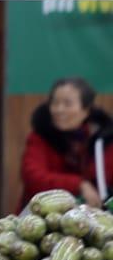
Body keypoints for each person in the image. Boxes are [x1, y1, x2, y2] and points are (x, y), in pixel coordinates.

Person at [20, 77, 113, 208]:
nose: (59, 110)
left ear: (86, 110)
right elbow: (33, 178)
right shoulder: (40, 137)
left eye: (67, 104)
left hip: (93, 219)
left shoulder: (103, 140)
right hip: (42, 215)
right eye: (55, 103)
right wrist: (79, 184)